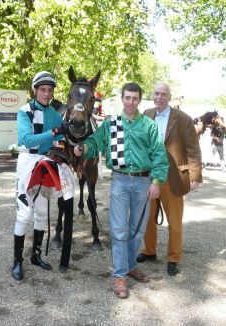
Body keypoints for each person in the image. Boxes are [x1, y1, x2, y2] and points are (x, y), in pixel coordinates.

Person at [74, 82, 168, 299]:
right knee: (118, 230)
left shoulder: (149, 126)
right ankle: (119, 275)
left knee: (138, 230)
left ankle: (131, 265)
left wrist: (156, 181)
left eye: (135, 98)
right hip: (120, 182)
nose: (131, 102)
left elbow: (160, 156)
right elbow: (94, 143)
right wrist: (84, 148)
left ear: (139, 100)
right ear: (122, 98)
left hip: (144, 182)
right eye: (127, 98)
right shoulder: (111, 124)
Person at [137, 82, 202, 276]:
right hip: (148, 176)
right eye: (156, 93)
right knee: (147, 219)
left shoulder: (182, 119)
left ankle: (173, 258)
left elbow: (193, 149)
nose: (159, 97)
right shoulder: (146, 114)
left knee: (174, 222)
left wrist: (195, 175)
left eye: (163, 94)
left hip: (172, 178)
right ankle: (149, 251)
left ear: (169, 97)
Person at [12, 71, 68, 281]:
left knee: (43, 213)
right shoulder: (24, 111)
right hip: (27, 163)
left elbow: (62, 137)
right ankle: (18, 260)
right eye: (43, 90)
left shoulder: (54, 113)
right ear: (35, 90)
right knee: (25, 214)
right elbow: (26, 140)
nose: (47, 94)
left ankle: (35, 255)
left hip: (45, 164)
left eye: (50, 90)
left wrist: (69, 141)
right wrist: (53, 133)